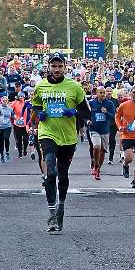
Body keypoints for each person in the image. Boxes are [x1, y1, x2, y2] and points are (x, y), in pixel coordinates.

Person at [31, 54, 90, 233]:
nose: (57, 69)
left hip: (68, 138)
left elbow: (87, 112)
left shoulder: (74, 87)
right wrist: (39, 113)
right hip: (47, 133)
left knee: (62, 174)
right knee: (51, 171)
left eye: (60, 66)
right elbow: (36, 104)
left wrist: (74, 112)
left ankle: (61, 206)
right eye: (54, 66)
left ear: (65, 67)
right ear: (48, 67)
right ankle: (51, 214)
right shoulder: (41, 86)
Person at [116, 87, 135, 188]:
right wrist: (120, 126)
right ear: (130, 94)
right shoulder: (124, 105)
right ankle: (125, 165)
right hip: (126, 135)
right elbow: (117, 116)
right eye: (133, 93)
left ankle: (134, 180)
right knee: (129, 158)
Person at [88, 87, 117, 180]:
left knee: (103, 151)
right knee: (97, 147)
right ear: (96, 93)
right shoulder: (91, 103)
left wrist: (106, 112)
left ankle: (98, 169)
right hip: (94, 129)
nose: (103, 94)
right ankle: (95, 164)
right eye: (100, 92)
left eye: (104, 93)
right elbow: (85, 114)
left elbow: (113, 116)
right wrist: (87, 121)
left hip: (105, 130)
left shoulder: (109, 103)